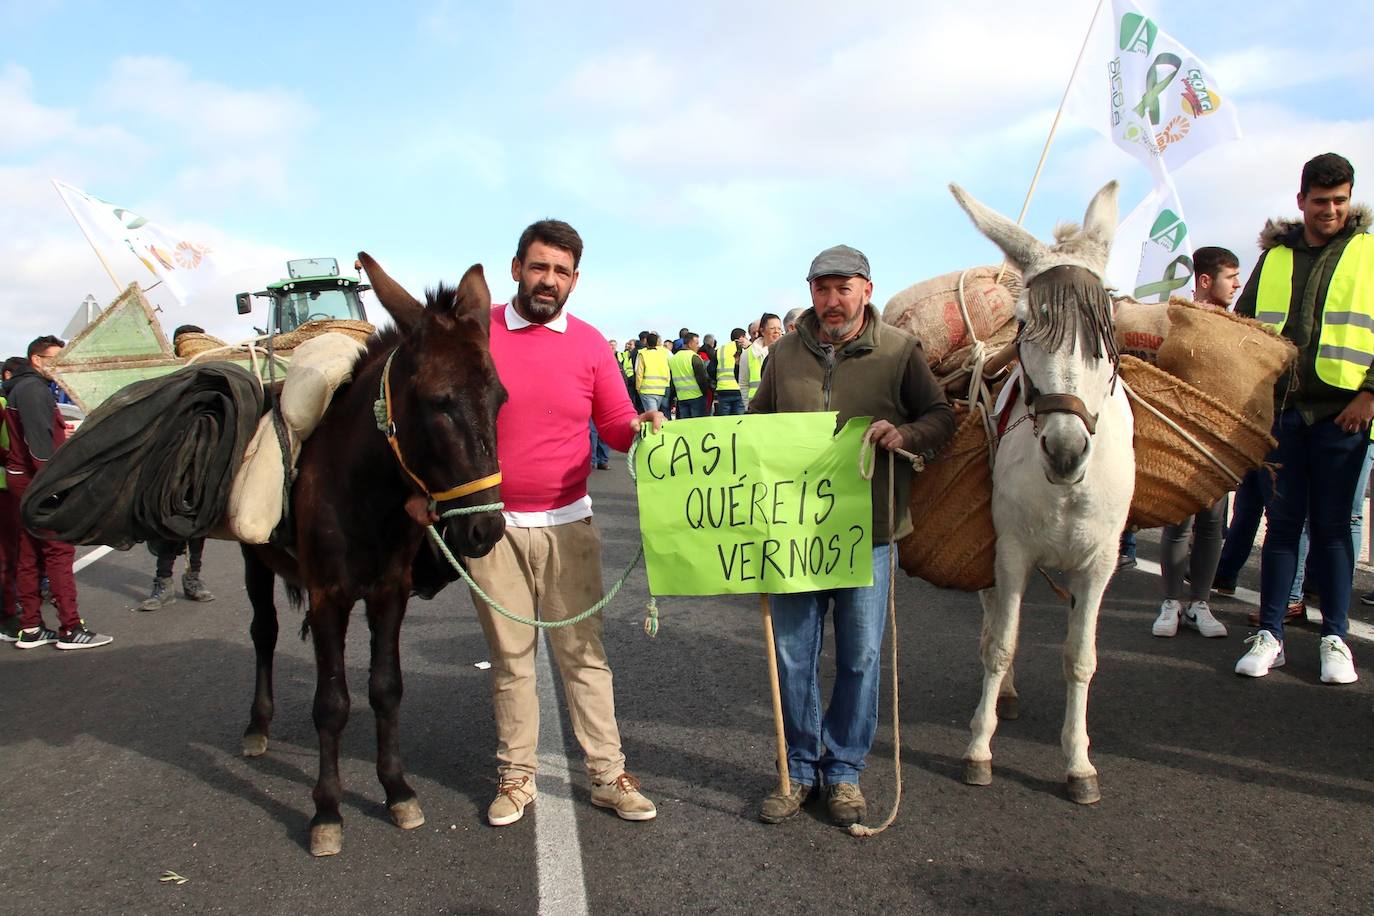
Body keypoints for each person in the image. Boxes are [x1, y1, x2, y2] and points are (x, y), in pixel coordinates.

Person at [748, 245, 955, 826]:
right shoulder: (783, 354)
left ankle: (843, 773)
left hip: (870, 531)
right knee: (793, 656)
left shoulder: (899, 351)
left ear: (867, 289)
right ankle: (801, 766)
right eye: (822, 289)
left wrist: (905, 432)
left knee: (860, 657)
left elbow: (941, 417)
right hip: (792, 532)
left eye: (844, 288)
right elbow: (755, 427)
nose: (832, 301)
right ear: (810, 292)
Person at [467, 219, 663, 827]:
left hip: (569, 524)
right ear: (516, 268)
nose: (548, 280)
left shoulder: (590, 343)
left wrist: (641, 431)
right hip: (491, 527)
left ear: (575, 279)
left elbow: (613, 423)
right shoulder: (477, 334)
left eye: (561, 271)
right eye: (538, 266)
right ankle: (516, 777)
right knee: (511, 657)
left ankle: (608, 775)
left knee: (583, 655)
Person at [1234, 152, 1370, 684]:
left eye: (1339, 200)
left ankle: (1335, 637)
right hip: (1284, 417)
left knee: (1335, 530)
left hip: (1346, 417)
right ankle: (1271, 634)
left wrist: (1371, 395)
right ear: (1301, 201)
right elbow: (1242, 332)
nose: (1330, 210)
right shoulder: (1273, 260)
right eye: (1320, 202)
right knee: (1283, 529)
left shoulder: (1369, 253)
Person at [1151, 247, 1241, 639]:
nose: (1237, 284)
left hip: (1217, 444)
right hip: (1179, 438)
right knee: (1177, 522)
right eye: (1230, 276)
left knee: (1211, 524)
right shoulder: (1175, 320)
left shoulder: (1239, 327)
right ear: (1205, 281)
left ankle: (1200, 604)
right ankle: (1171, 602)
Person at [4, 337, 112, 649]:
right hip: (38, 483)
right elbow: (39, 449)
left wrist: (58, 433)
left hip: (19, 481)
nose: (59, 365)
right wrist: (55, 487)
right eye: (54, 359)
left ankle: (31, 628)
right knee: (59, 551)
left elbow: (30, 436)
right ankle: (71, 628)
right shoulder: (35, 390)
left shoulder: (18, 389)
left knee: (28, 554)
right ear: (36, 360)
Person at [739, 313, 782, 407]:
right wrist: (747, 405)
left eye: (779, 328)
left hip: (780, 407)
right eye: (772, 328)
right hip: (756, 408)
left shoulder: (786, 351)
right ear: (762, 331)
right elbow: (743, 383)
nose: (777, 332)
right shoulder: (748, 353)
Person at [668, 331, 711, 418]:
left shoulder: (673, 358)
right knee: (698, 426)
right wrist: (705, 392)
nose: (698, 346)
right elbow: (702, 378)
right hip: (697, 396)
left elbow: (672, 380)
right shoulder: (694, 357)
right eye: (697, 343)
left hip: (681, 397)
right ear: (690, 344)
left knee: (686, 427)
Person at [714, 328, 748, 416]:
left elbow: (711, 369)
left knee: (725, 423)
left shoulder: (720, 350)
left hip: (723, 389)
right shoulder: (744, 348)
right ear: (742, 337)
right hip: (738, 389)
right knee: (738, 421)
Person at [635, 332, 670, 414]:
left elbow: (639, 372)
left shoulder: (642, 354)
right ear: (657, 342)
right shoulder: (664, 353)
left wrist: (638, 388)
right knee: (654, 414)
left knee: (652, 416)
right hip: (661, 389)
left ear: (646, 342)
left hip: (647, 389)